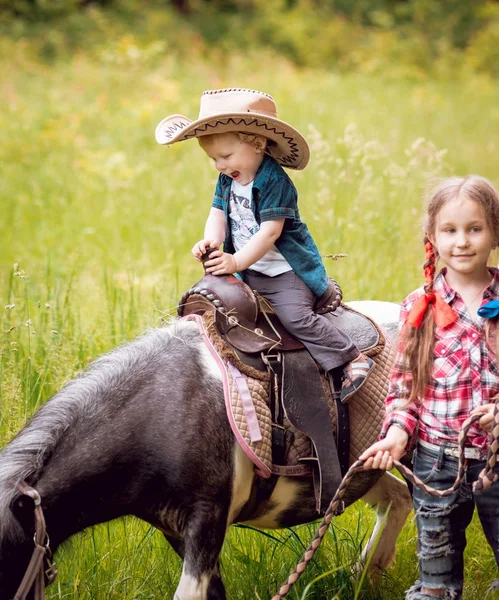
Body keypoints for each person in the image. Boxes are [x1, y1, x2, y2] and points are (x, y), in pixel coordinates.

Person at [155, 87, 374, 402]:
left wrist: (235, 262)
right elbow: (217, 213)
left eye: (225, 156)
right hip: (250, 267)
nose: (218, 165)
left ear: (257, 144)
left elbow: (270, 233)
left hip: (285, 271)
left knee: (294, 317)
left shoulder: (274, 182)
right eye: (213, 159)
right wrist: (212, 241)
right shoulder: (229, 178)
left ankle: (351, 357)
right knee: (210, 306)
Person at [360, 175, 499, 600]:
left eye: (474, 229)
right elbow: (404, 389)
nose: (462, 241)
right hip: (436, 462)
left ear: (494, 232)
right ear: (432, 237)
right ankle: (438, 588)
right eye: (449, 230)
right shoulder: (419, 308)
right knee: (435, 578)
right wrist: (398, 433)